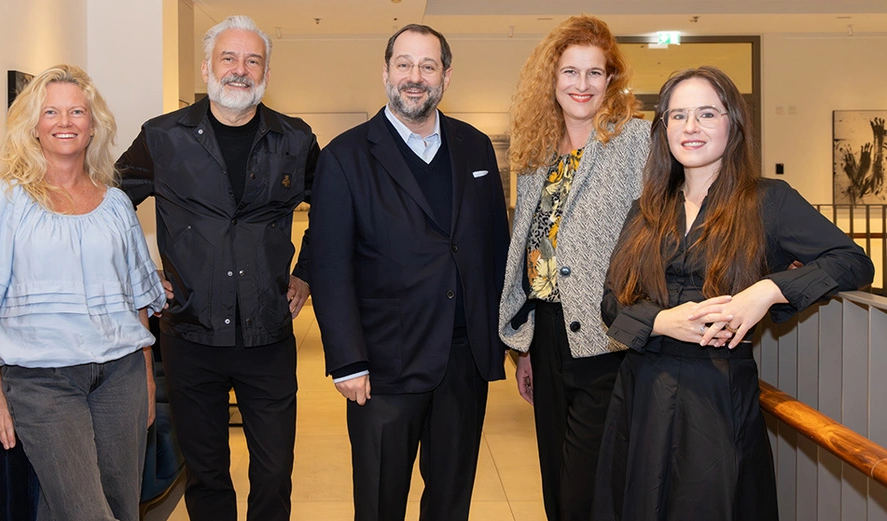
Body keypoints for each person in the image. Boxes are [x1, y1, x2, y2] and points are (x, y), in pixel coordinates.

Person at [595, 66, 875, 521]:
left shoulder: (769, 200)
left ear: (733, 123)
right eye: (678, 115)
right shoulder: (645, 209)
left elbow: (852, 261)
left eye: (707, 113)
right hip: (642, 390)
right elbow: (612, 301)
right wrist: (662, 321)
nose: (691, 127)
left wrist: (767, 291)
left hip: (719, 393)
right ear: (663, 129)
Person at [0, 64, 165, 521]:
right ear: (34, 126)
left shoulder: (115, 203)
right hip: (43, 384)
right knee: (86, 513)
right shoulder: (7, 198)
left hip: (122, 379)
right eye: (52, 111)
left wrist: (149, 380)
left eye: (77, 111)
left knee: (118, 509)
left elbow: (137, 299)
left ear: (93, 125)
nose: (65, 122)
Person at [115, 15, 318, 521]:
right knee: (206, 475)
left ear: (266, 72)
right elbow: (110, 206)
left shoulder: (295, 139)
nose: (240, 70)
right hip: (189, 334)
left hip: (267, 336)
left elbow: (336, 213)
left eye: (253, 60)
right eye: (229, 58)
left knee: (273, 473)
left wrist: (307, 271)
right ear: (207, 67)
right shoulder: (162, 137)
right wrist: (142, 275)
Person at [309, 24, 510, 521]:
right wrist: (347, 361)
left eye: (427, 66)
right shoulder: (345, 156)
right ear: (386, 72)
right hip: (383, 367)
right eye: (404, 64)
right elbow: (330, 268)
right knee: (380, 503)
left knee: (450, 502)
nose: (415, 77)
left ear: (445, 75)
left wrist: (506, 337)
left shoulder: (475, 147)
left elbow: (494, 247)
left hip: (463, 361)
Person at [496, 15, 650, 521]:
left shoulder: (635, 142)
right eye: (570, 72)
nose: (581, 85)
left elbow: (672, 221)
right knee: (556, 486)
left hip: (607, 340)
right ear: (552, 79)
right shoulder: (538, 153)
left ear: (611, 80)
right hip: (547, 338)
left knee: (587, 491)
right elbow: (533, 255)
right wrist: (525, 350)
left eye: (594, 73)